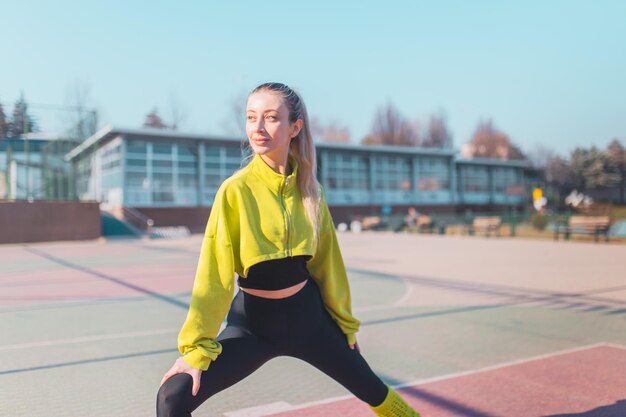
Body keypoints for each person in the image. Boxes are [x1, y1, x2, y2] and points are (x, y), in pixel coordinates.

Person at [156, 82, 420, 417]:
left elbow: (328, 264)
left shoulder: (311, 191)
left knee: (376, 392)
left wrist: (345, 324)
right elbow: (213, 275)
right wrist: (195, 348)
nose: (258, 127)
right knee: (172, 396)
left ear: (295, 127)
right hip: (252, 325)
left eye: (270, 117)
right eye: (251, 118)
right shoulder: (234, 191)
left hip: (309, 321)